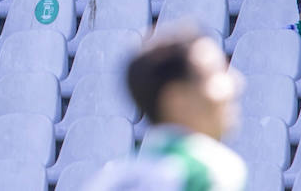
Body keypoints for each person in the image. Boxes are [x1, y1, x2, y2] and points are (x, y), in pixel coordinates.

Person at [85, 27, 247, 191]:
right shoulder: (210, 172)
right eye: (216, 74)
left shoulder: (112, 178)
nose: (235, 83)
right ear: (177, 100)